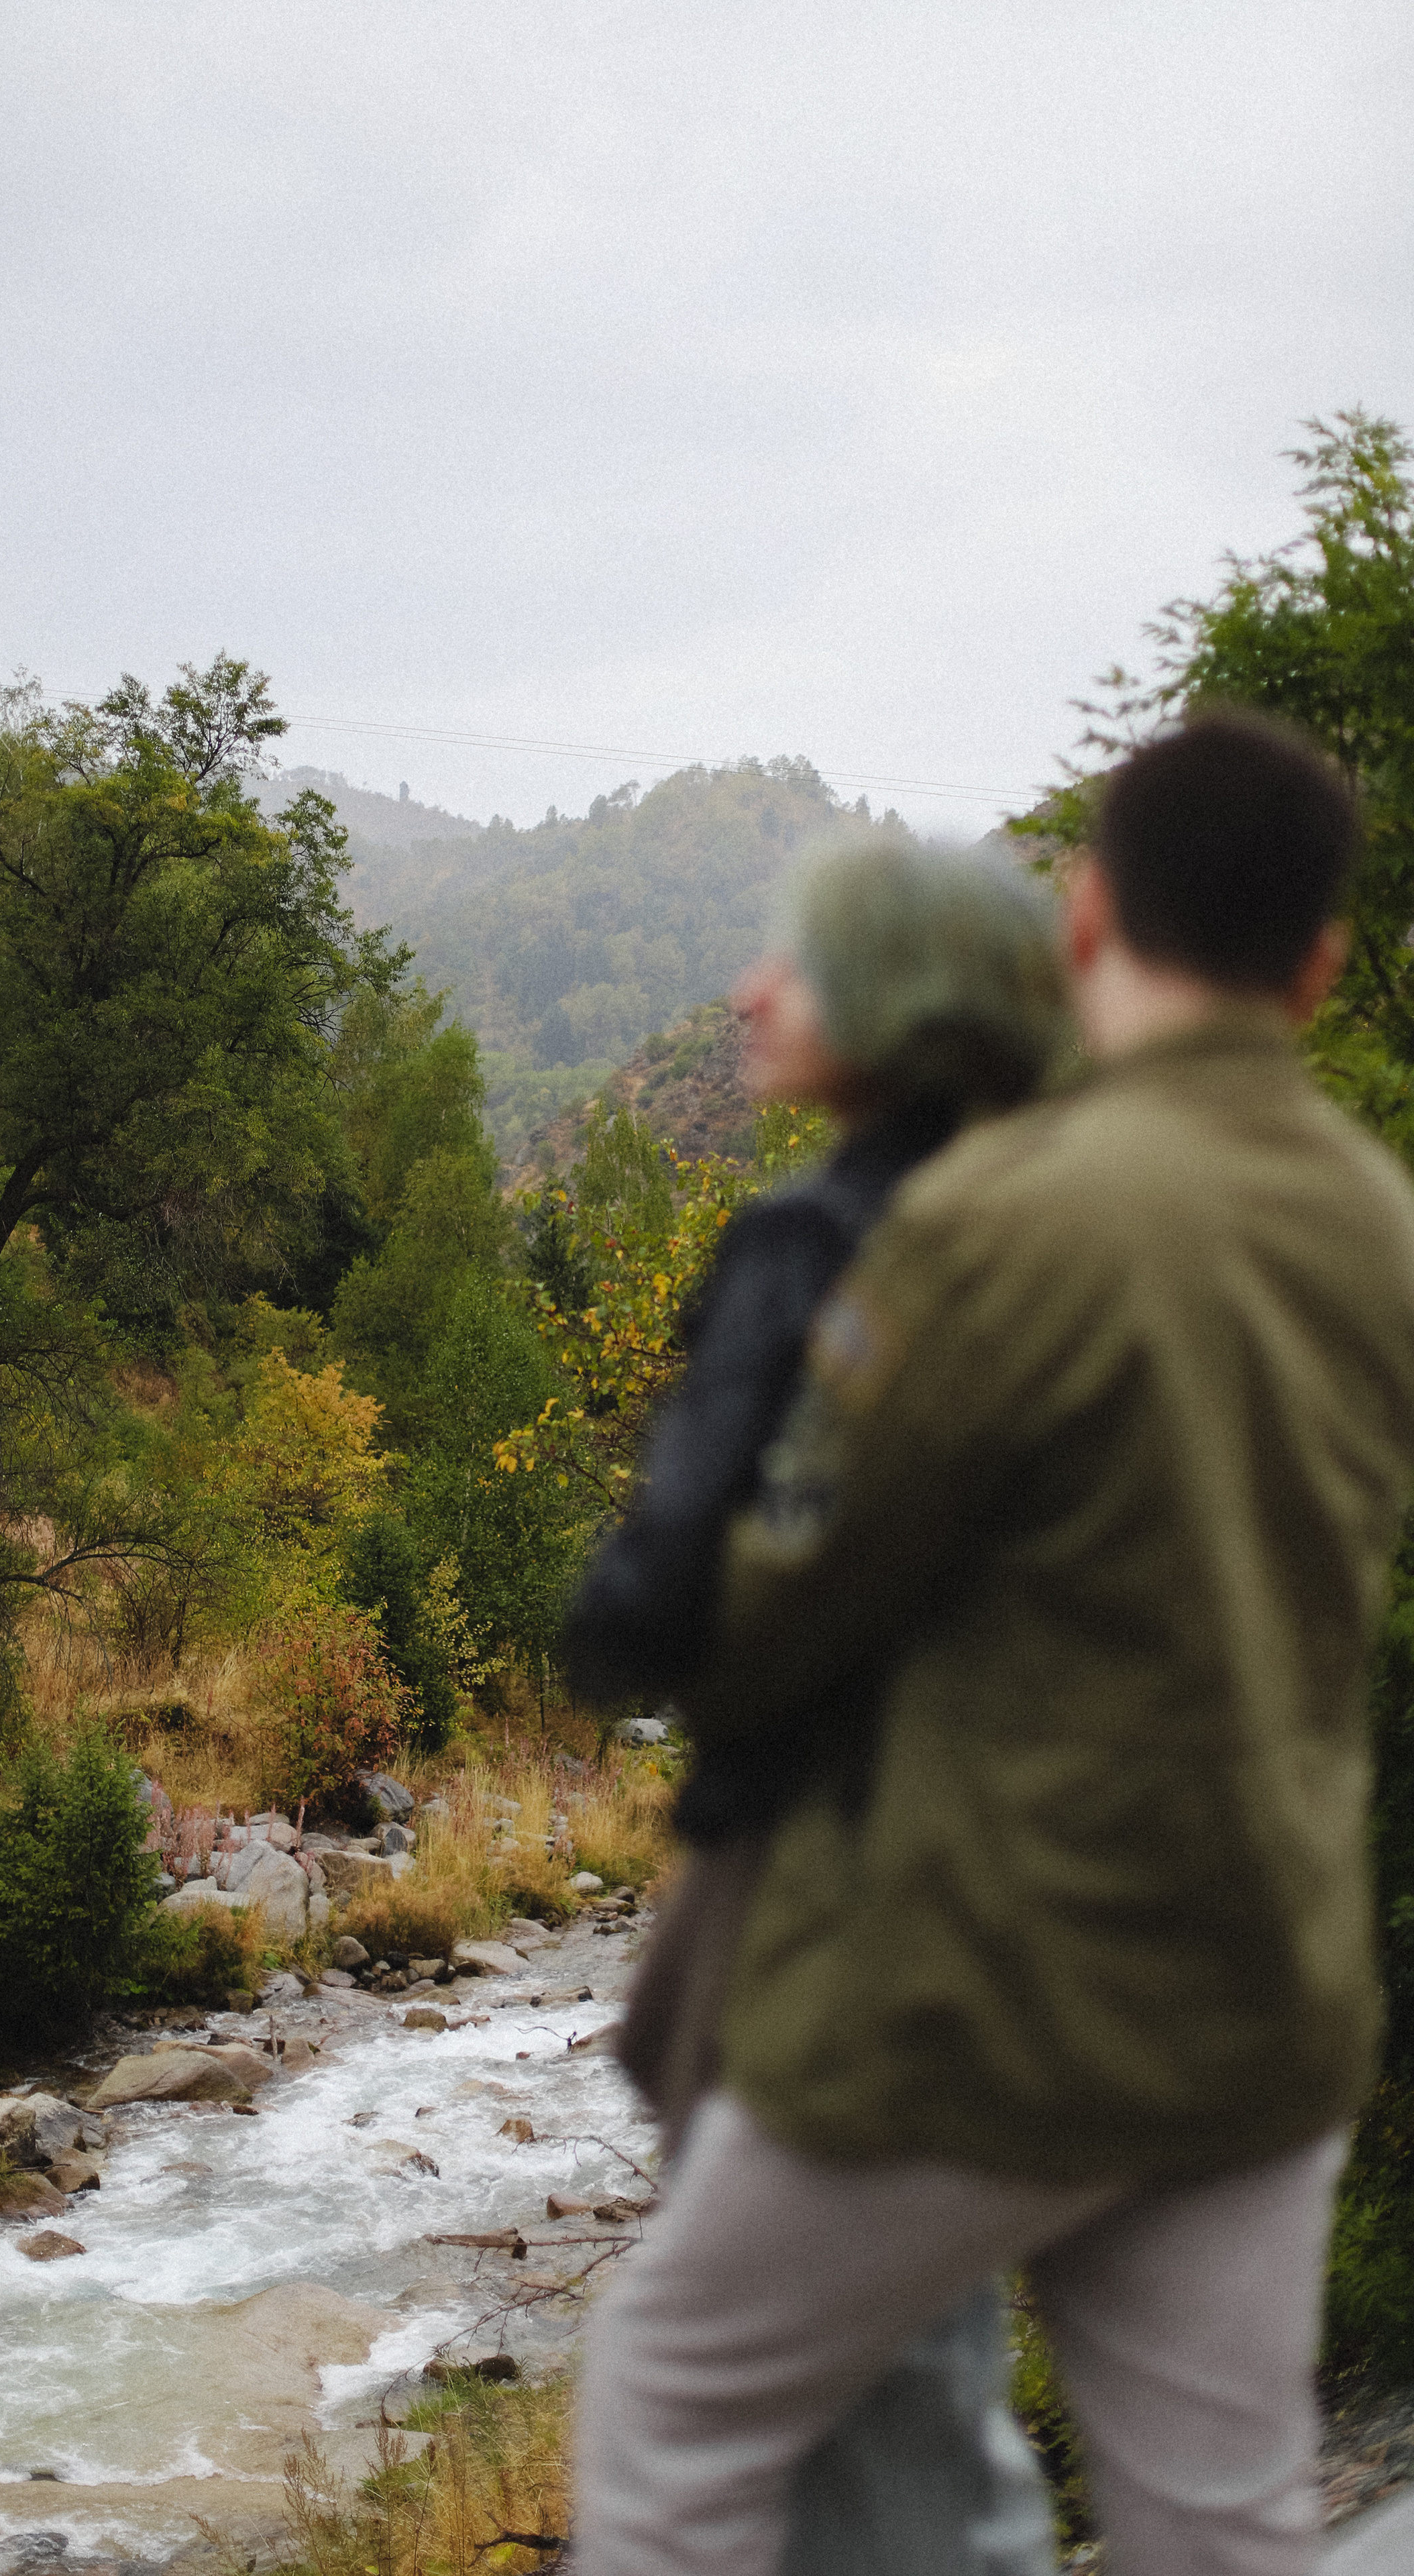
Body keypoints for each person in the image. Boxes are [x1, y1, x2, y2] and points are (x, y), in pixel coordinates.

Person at [574, 708, 1414, 2576]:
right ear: (1322, 959)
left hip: (986, 1997)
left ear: (1091, 918)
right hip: (1268, 1986)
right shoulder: (1382, 1225)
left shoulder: (995, 1219)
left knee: (675, 2401)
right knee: (1229, 2518)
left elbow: (787, 1601)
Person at [565, 834, 1071, 2576]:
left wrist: (598, 1633)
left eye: (793, 964)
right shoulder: (1056, 1235)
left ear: (895, 1004)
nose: (744, 993)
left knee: (677, 2386)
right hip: (1040, 1881)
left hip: (825, 1888)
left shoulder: (808, 1238)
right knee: (921, 2408)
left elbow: (660, 1590)